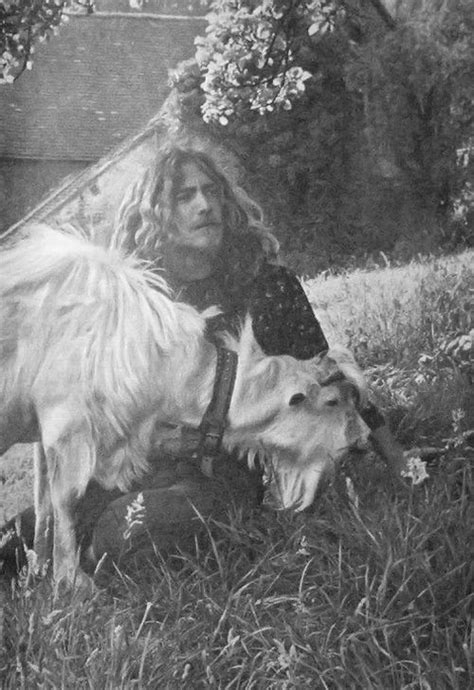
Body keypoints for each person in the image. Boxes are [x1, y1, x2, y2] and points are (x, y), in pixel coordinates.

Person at [0, 141, 406, 577]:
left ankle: (105, 544)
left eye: (211, 191)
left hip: (220, 470)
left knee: (125, 532)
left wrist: (398, 459)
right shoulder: (137, 300)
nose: (204, 204)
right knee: (10, 545)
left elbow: (330, 377)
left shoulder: (270, 287)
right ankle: (85, 541)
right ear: (155, 212)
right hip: (136, 464)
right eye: (184, 195)